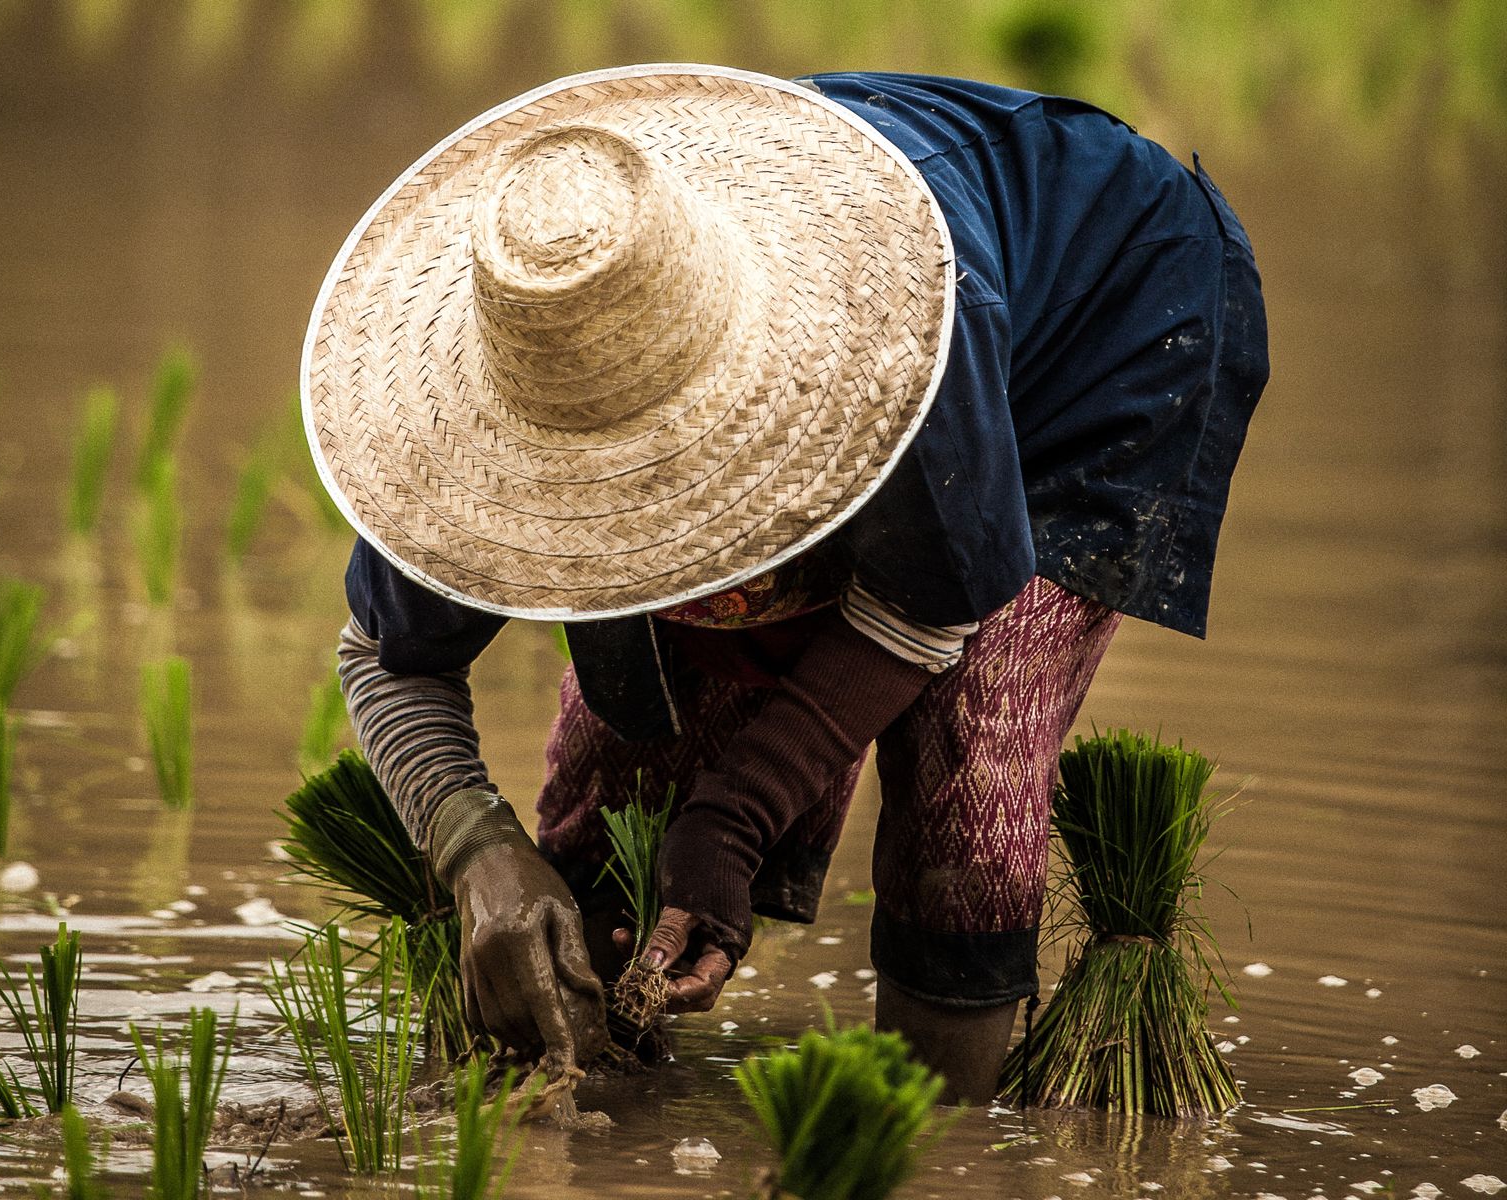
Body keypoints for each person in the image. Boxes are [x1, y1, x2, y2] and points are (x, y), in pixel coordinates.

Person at [301, 65, 1268, 1102]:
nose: (629, 510)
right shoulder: (480, 404)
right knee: (632, 759)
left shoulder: (897, 346)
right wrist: (476, 853)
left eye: (659, 476)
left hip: (1099, 319)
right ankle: (596, 1087)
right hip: (795, 311)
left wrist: (737, 819)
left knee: (969, 763)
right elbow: (384, 656)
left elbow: (931, 600)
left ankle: (932, 1138)